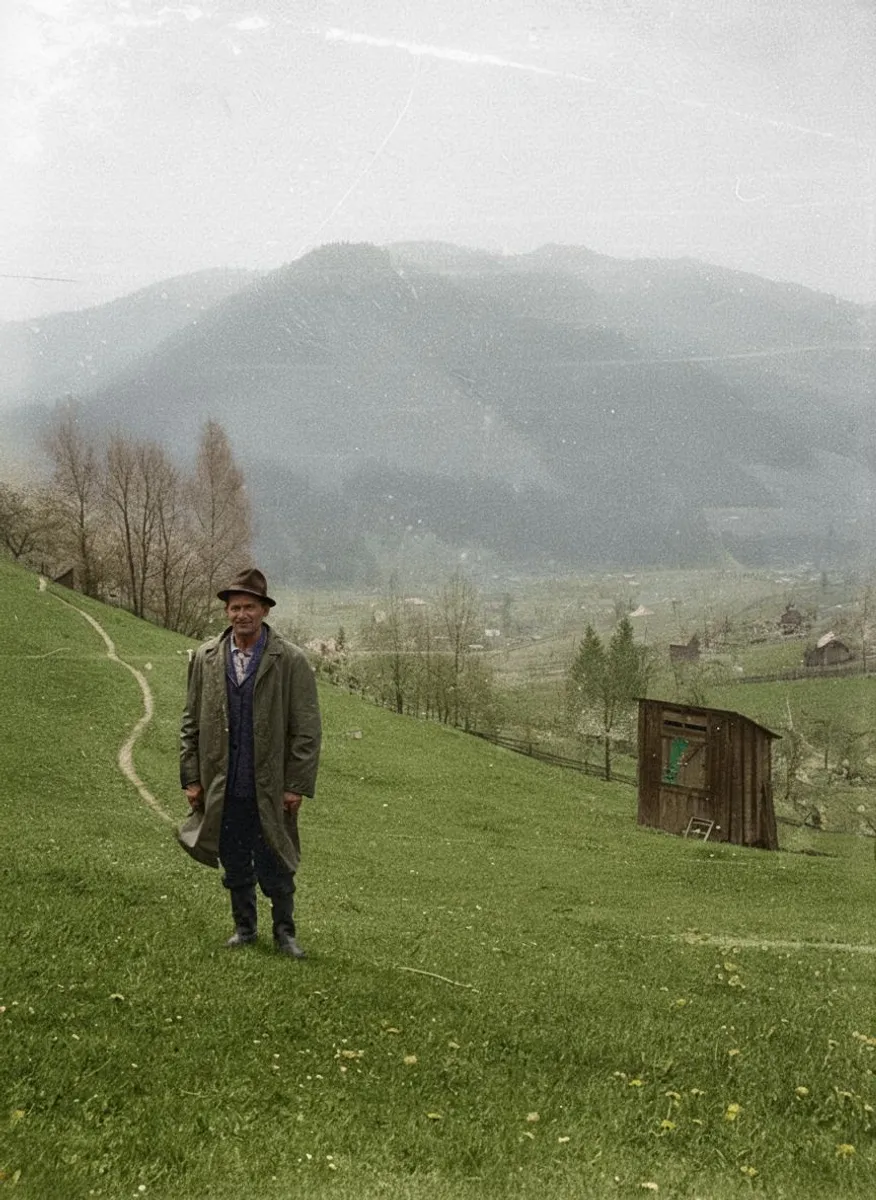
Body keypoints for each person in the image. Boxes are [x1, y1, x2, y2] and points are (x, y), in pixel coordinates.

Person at [178, 568, 321, 957]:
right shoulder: (206, 657)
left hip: (270, 787)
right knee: (234, 857)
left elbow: (307, 731)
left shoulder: (289, 660)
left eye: (250, 607)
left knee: (276, 857)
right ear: (227, 612)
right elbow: (190, 722)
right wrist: (192, 778)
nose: (242, 615)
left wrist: (295, 786)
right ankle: (244, 929)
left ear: (264, 611)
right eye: (235, 607)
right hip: (222, 784)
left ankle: (285, 934)